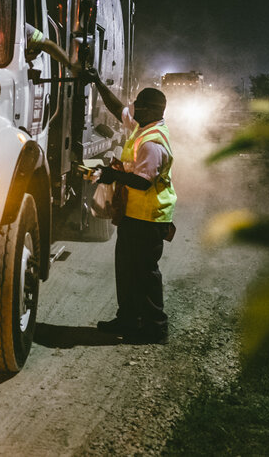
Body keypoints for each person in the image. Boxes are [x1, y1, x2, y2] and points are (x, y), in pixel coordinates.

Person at [84, 70, 177, 344]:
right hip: (133, 215)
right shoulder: (143, 126)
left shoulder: (151, 142)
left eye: (138, 105)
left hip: (148, 218)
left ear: (149, 110)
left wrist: (112, 174)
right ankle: (128, 319)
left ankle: (155, 327)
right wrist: (98, 82)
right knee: (126, 269)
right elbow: (117, 109)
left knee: (144, 273)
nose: (132, 108)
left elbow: (143, 183)